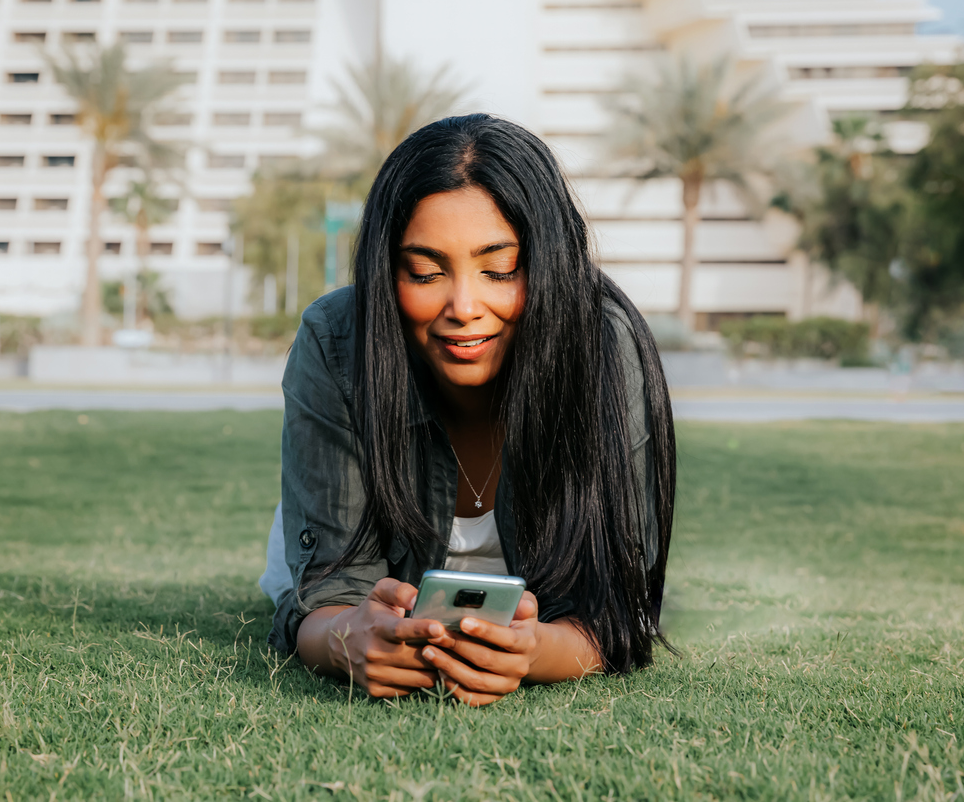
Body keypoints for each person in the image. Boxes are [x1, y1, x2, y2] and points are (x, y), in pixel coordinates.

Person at [264, 113, 676, 706]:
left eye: (499, 270)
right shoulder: (336, 339)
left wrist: (535, 653)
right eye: (425, 272)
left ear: (548, 263)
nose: (464, 305)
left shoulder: (606, 347)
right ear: (388, 271)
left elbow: (615, 609)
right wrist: (344, 641)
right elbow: (329, 589)